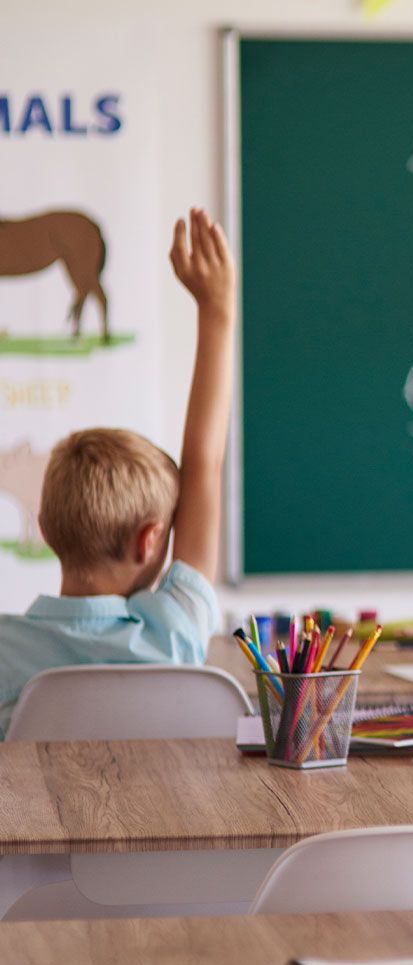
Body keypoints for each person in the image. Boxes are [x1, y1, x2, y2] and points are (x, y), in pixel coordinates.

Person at [0, 210, 235, 735]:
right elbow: (205, 464)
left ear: (44, 527)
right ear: (152, 539)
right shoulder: (172, 633)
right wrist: (216, 308)